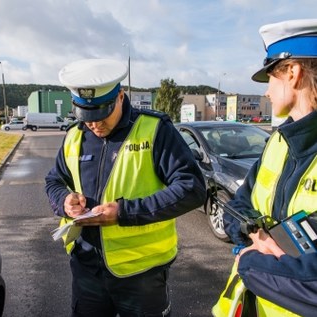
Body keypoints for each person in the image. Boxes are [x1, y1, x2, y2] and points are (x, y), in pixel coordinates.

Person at [45, 58, 206, 317]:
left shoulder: (155, 130)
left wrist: (124, 212)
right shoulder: (75, 135)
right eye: (87, 117)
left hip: (141, 277)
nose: (94, 125)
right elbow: (53, 180)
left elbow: (193, 187)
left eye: (101, 114)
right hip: (86, 270)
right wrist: (64, 199)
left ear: (120, 96)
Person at [213, 19, 317, 317]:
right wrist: (257, 235)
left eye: (270, 77)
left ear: (293, 73)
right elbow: (238, 206)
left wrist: (251, 263)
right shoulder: (278, 142)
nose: (267, 92)